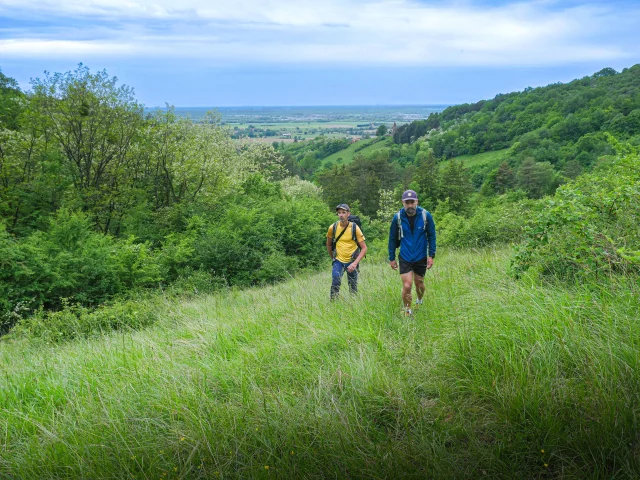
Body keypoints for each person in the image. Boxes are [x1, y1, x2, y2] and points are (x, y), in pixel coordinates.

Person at [388, 190, 436, 316]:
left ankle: (419, 300)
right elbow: (392, 238)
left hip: (420, 256)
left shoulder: (425, 215)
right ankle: (407, 310)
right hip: (405, 256)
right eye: (407, 202)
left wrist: (431, 255)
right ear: (403, 203)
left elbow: (432, 236)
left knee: (419, 283)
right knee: (407, 285)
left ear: (416, 202)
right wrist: (391, 258)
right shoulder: (397, 217)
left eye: (412, 202)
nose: (410, 205)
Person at [326, 204, 367, 300]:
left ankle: (353, 304)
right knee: (335, 281)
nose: (341, 215)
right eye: (339, 213)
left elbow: (364, 248)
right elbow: (328, 244)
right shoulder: (333, 227)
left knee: (353, 286)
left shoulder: (354, 228)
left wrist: (355, 263)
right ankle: (333, 304)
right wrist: (333, 257)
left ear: (348, 214)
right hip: (338, 261)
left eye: (343, 212)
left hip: (352, 261)